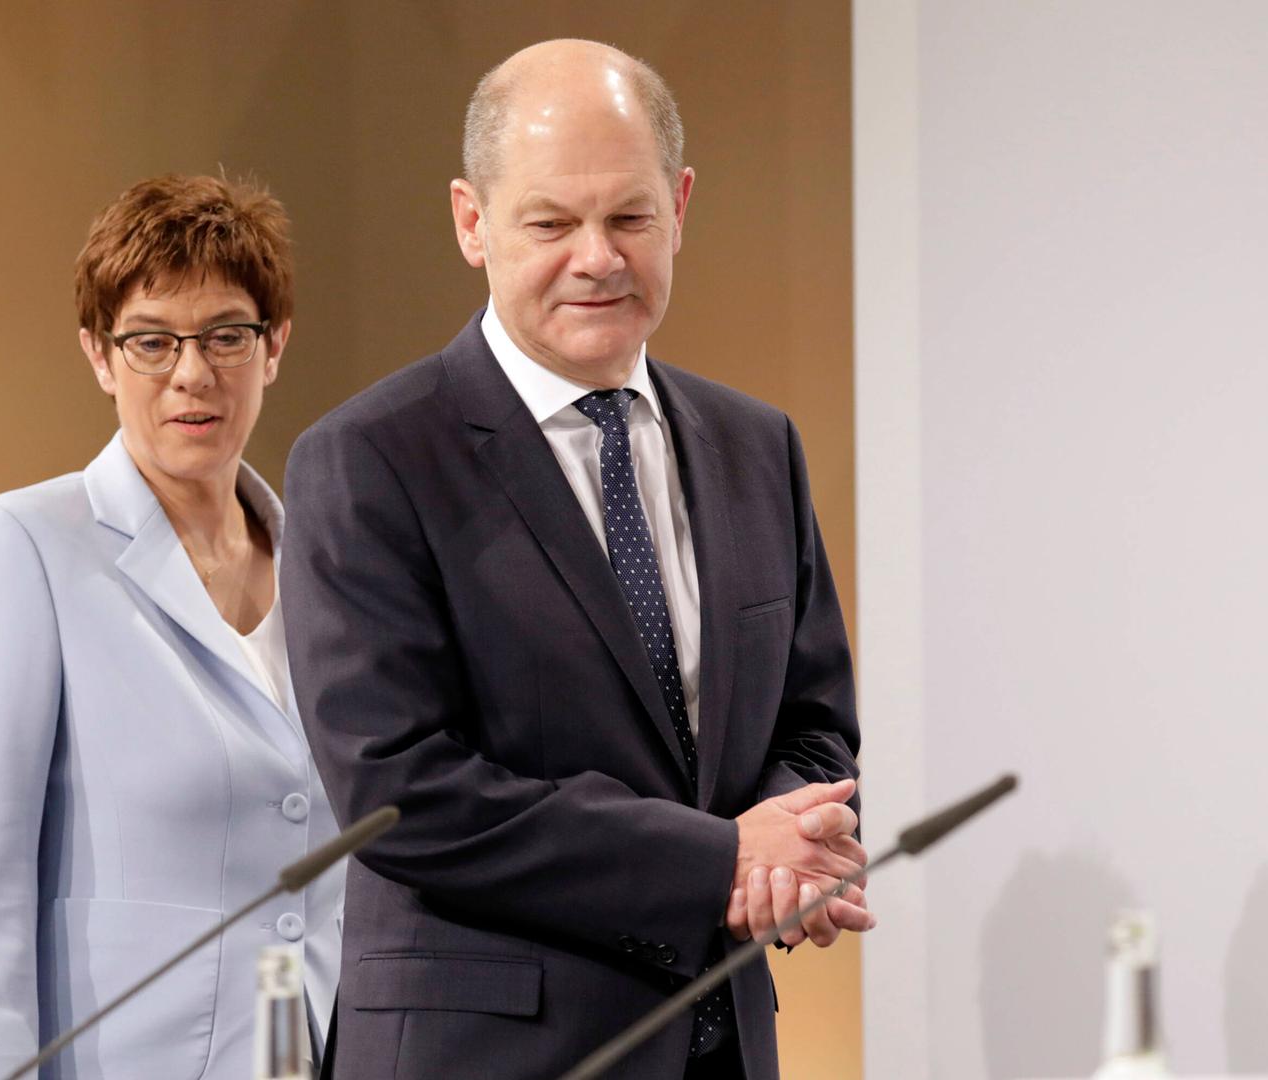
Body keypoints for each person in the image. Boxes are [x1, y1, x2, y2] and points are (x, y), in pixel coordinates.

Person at [281, 40, 872, 1079]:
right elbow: (402, 793)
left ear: (681, 206)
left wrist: (791, 854)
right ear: (472, 221)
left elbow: (816, 727)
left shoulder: (757, 446)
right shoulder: (368, 460)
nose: (596, 257)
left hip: (719, 1048)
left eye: (630, 218)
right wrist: (722, 861)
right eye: (551, 221)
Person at [0, 174, 343, 1079]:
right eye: (152, 341)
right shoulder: (24, 546)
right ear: (100, 356)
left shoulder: (326, 558)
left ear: (273, 347)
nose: (192, 373)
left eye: (226, 335)